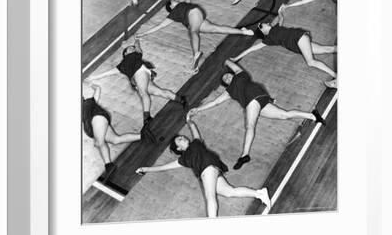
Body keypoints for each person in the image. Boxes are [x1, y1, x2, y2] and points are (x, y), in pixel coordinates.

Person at [187, 59, 325, 170]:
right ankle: (313, 115)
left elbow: (232, 65)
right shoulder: (229, 92)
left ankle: (245, 155)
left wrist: (225, 61)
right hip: (258, 102)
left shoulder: (241, 75)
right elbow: (215, 102)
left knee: (250, 126)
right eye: (226, 79)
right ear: (225, 84)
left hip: (253, 98)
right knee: (284, 115)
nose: (228, 77)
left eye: (228, 75)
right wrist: (199, 109)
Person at [135, 116, 271, 218]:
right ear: (178, 148)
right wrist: (146, 169)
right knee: (229, 192)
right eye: (180, 140)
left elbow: (194, 130)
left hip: (208, 169)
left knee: (210, 197)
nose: (183, 138)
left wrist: (189, 121)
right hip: (211, 170)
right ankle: (259, 193)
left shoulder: (195, 143)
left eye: (182, 136)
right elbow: (164, 167)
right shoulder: (184, 159)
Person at [136, 0, 253, 73]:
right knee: (216, 28)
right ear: (171, 8)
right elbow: (159, 26)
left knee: (193, 32)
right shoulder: (173, 14)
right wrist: (145, 33)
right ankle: (242, 32)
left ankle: (196, 54)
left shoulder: (182, 6)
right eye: (173, 1)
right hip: (197, 18)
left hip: (194, 13)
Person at [87, 39, 187, 143]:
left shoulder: (134, 57)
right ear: (125, 53)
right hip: (143, 73)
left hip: (139, 71)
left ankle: (147, 118)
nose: (133, 48)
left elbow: (137, 47)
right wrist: (94, 77)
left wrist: (136, 41)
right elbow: (109, 72)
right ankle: (180, 99)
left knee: (143, 93)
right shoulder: (125, 63)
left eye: (133, 48)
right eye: (130, 48)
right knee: (159, 91)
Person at [231, 22, 337, 88]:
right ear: (263, 31)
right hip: (300, 40)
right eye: (263, 25)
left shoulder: (275, 28)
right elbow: (252, 49)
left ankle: (336, 78)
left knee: (311, 62)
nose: (267, 22)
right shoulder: (269, 39)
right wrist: (236, 57)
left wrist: (282, 10)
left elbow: (280, 19)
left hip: (299, 38)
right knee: (326, 49)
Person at [82, 81, 141, 179]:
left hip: (97, 119)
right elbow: (98, 88)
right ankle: (143, 135)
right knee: (115, 140)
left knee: (99, 143)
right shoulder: (91, 101)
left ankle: (109, 165)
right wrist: (91, 85)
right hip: (99, 119)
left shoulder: (88, 103)